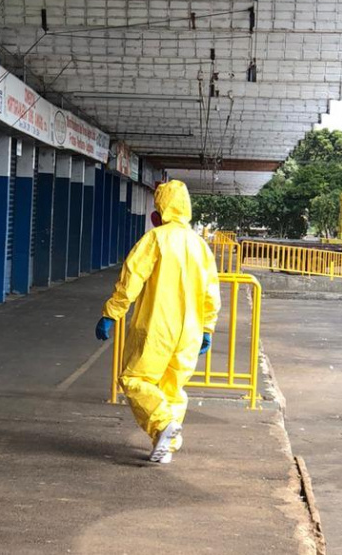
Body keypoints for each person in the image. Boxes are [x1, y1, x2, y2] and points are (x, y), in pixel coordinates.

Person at [95, 179, 221, 464]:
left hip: (157, 326)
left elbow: (131, 279)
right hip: (189, 330)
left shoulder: (156, 239)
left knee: (133, 378)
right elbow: (212, 292)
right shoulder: (201, 246)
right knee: (171, 388)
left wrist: (111, 313)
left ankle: (163, 424)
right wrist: (207, 328)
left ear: (160, 210)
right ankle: (166, 446)